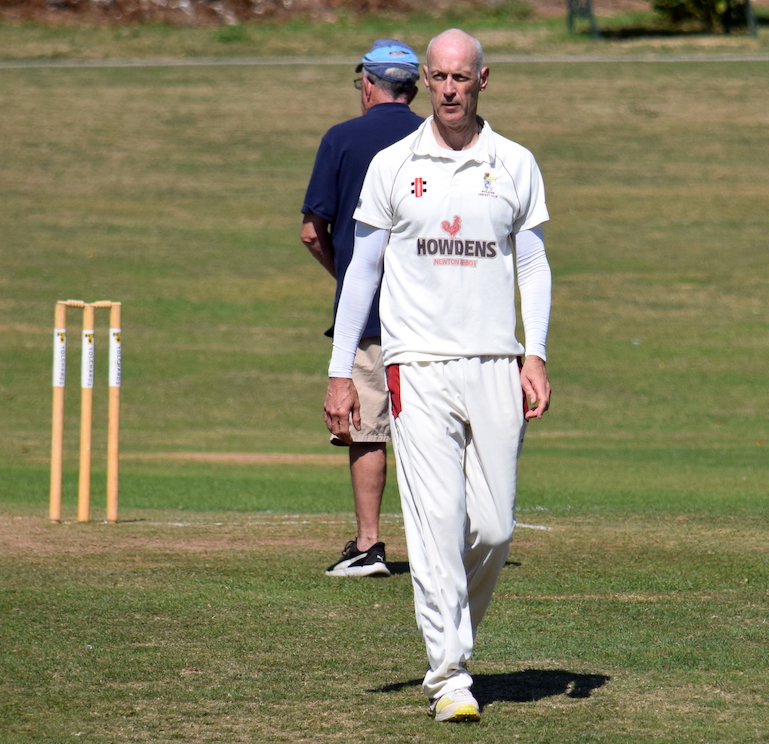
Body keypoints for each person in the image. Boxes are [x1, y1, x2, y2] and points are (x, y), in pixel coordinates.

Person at [323, 29, 552, 722]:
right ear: (426, 80)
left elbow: (532, 264)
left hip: (493, 360)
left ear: (485, 79)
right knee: (437, 522)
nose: (450, 88)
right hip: (415, 365)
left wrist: (533, 352)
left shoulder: (514, 163)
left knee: (493, 528)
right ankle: (449, 674)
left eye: (462, 76)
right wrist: (341, 372)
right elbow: (362, 268)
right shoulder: (394, 164)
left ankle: (458, 641)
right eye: (440, 77)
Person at [301, 40, 425, 577]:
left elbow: (312, 232)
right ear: (415, 89)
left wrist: (350, 279)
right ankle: (439, 545)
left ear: (369, 85)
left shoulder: (341, 139)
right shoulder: (435, 137)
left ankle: (369, 546)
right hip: (431, 316)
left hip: (368, 318)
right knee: (432, 432)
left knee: (368, 429)